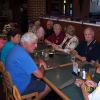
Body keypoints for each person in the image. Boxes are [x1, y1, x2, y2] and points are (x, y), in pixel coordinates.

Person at [5, 32, 51, 99]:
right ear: (25, 43)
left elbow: (27, 61)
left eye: (36, 43)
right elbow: (40, 75)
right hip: (20, 87)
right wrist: (42, 66)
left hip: (14, 82)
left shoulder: (17, 48)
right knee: (50, 85)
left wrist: (39, 61)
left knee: (36, 78)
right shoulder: (23, 55)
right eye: (33, 43)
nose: (36, 46)